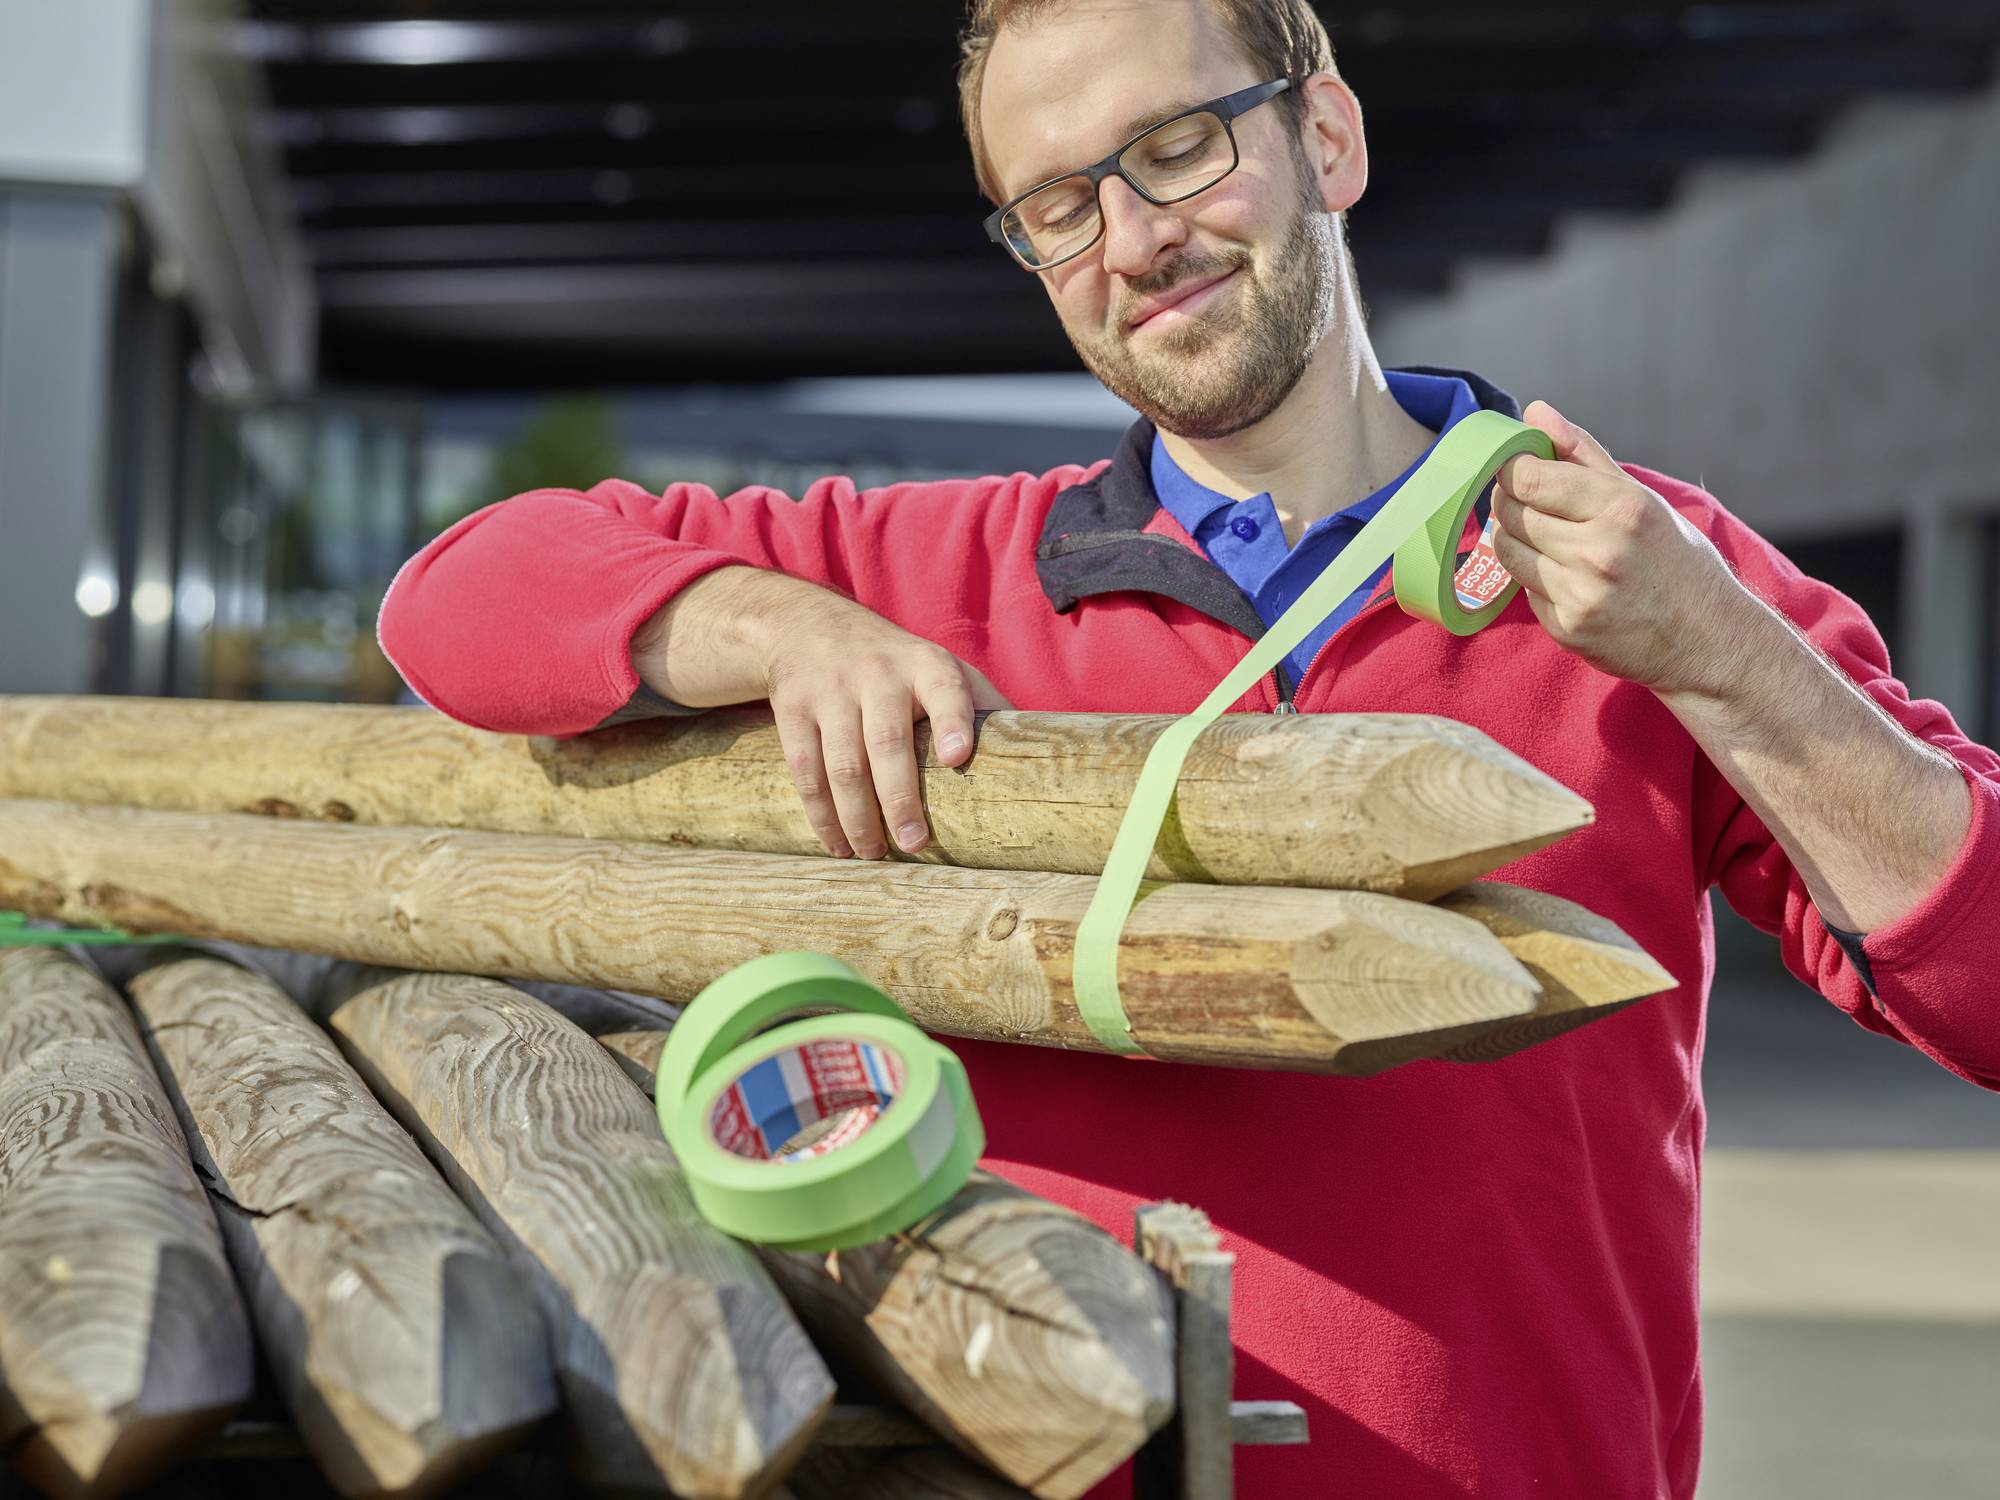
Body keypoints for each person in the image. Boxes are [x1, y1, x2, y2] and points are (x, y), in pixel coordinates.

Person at [376, 1, 2000, 1494]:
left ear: (1331, 139)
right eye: (1060, 206)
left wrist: (1724, 658)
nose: (1138, 240)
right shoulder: (931, 569)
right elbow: (457, 599)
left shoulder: (1648, 568)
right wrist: (782, 632)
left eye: (1176, 149)